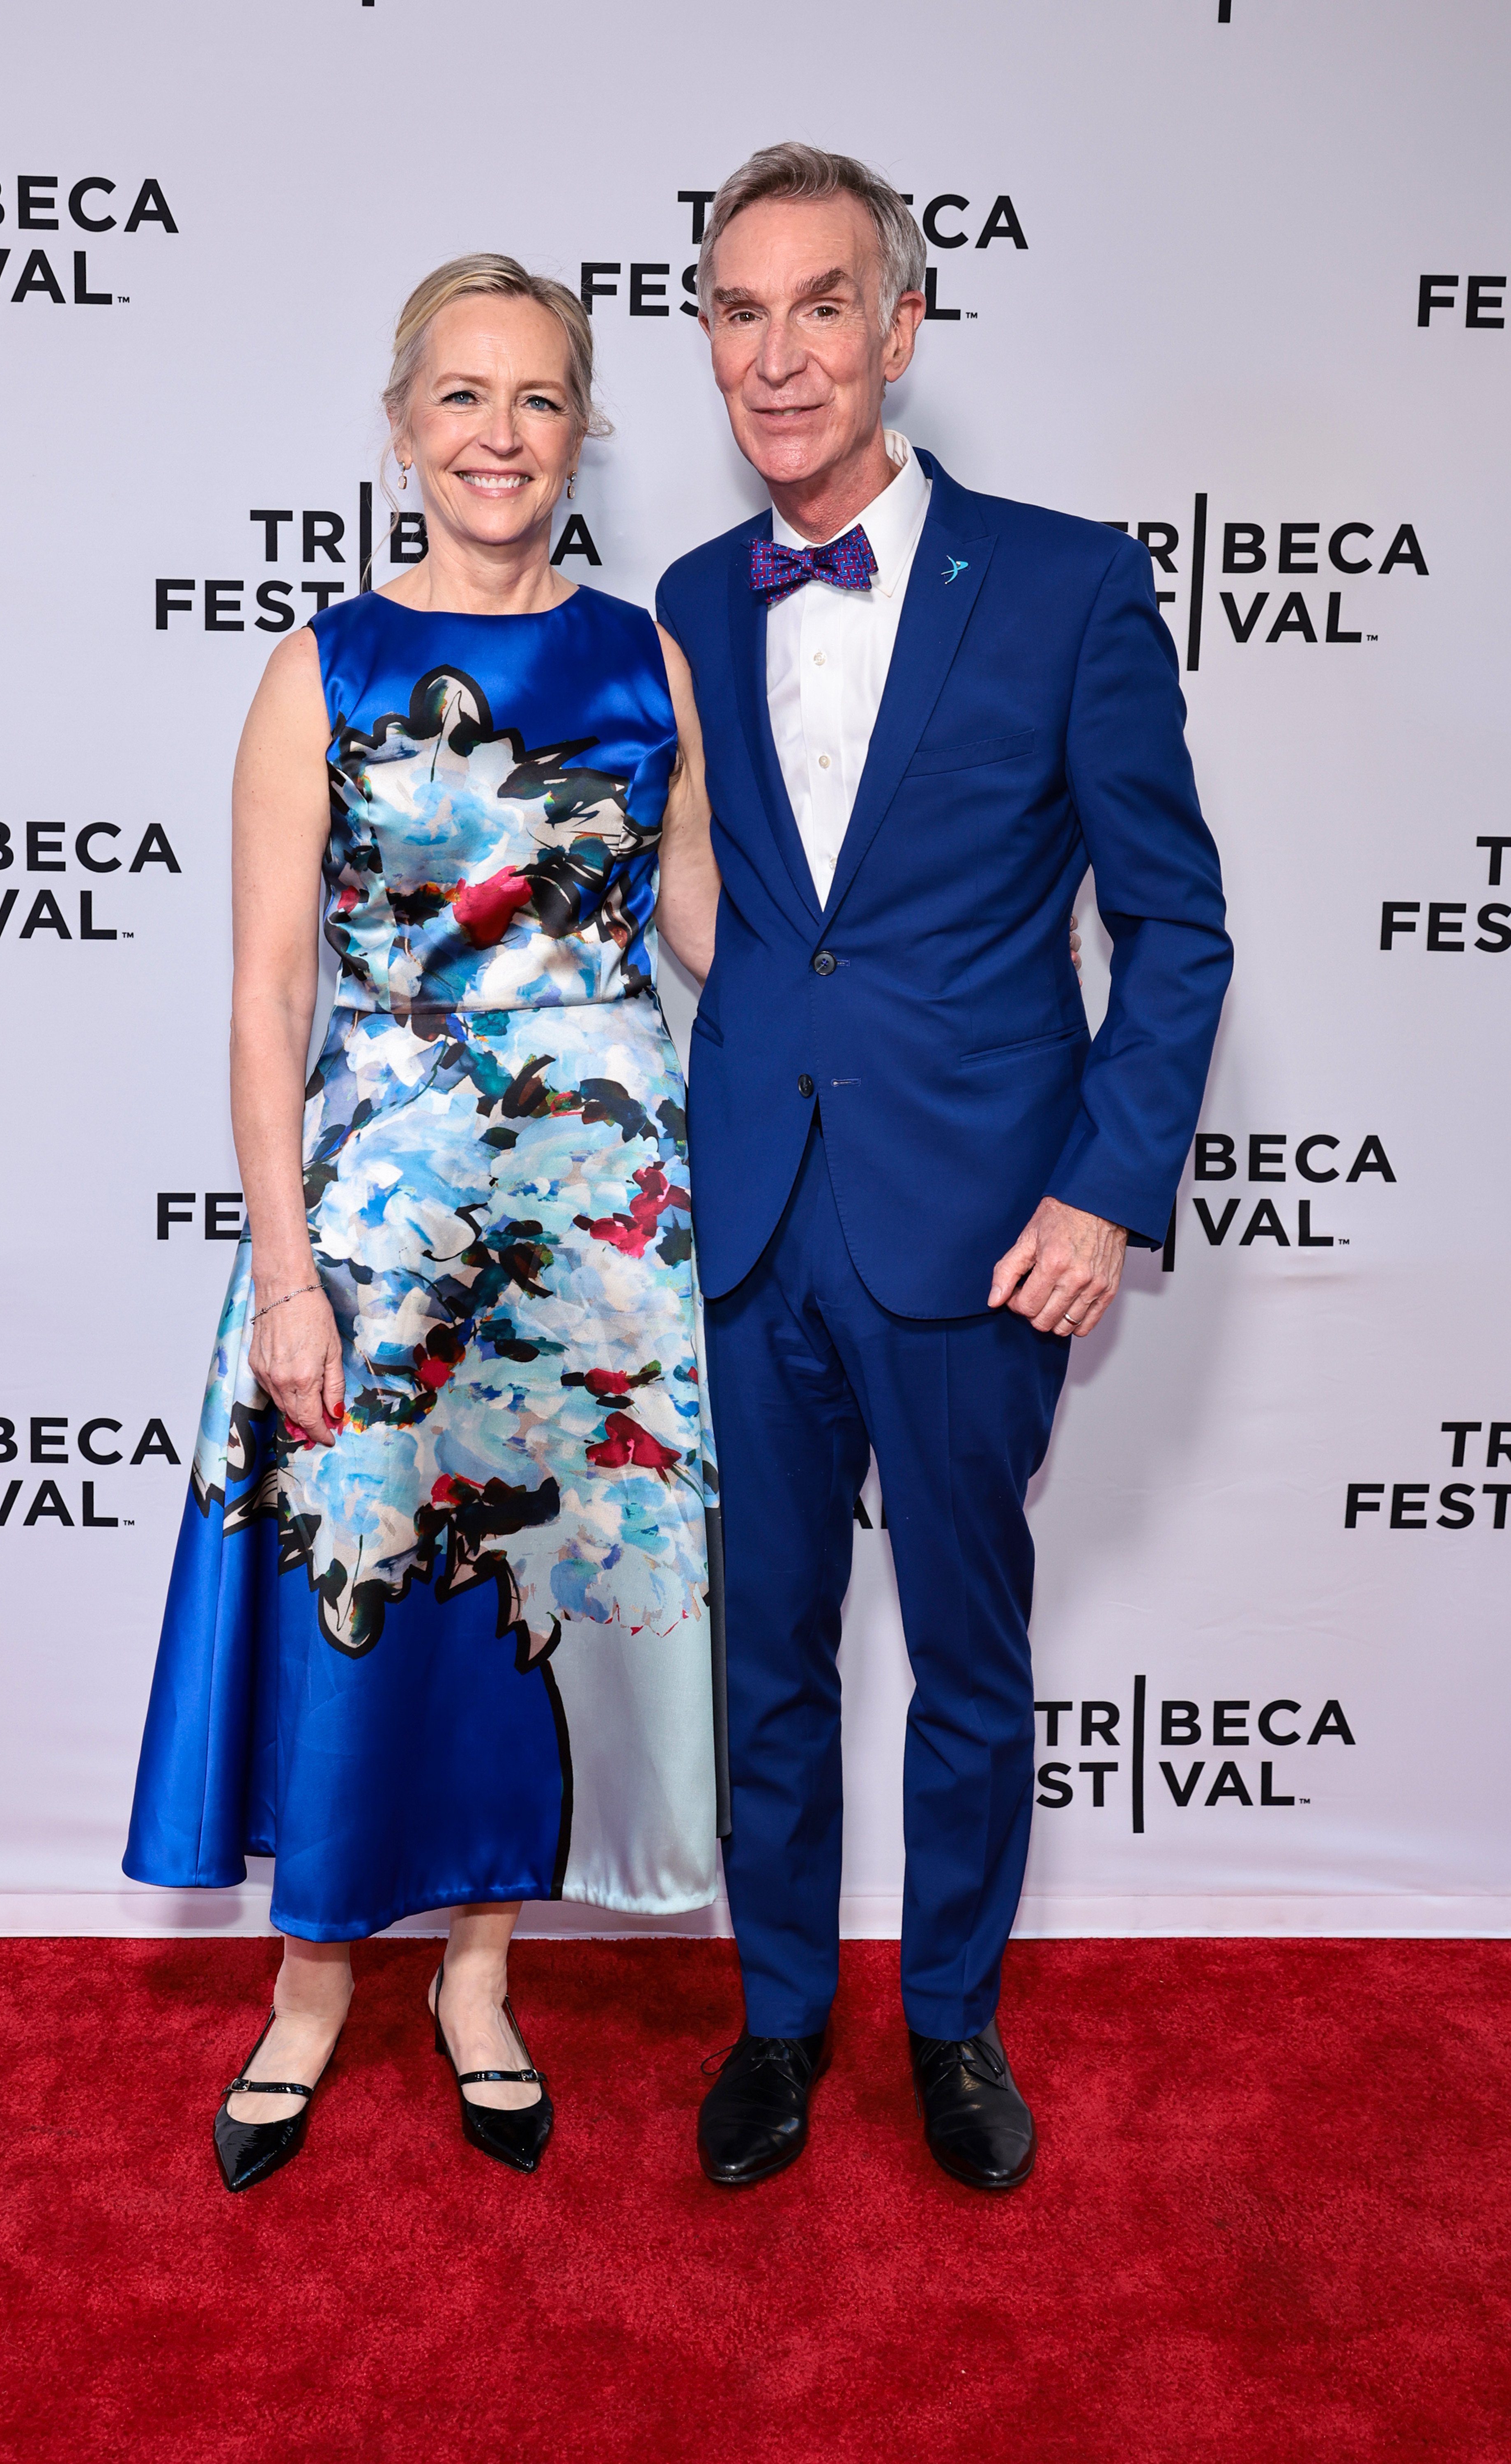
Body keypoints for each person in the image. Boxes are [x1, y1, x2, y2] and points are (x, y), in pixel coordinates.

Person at [656, 146, 1233, 2191]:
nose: (779, 353)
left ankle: (956, 2025)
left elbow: (1175, 921)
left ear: (903, 328)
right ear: (707, 343)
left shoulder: (1068, 581)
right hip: (754, 1220)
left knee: (973, 1665)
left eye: (822, 305)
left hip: (988, 1226)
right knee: (768, 1659)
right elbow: (745, 900)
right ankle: (781, 2020)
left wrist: (1101, 1188)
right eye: (739, 310)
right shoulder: (688, 602)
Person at [124, 255, 723, 2190]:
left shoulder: (648, 660)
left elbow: (713, 925)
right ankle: (308, 1993)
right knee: (357, 1586)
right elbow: (262, 999)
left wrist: (942, 975)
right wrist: (285, 1272)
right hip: (377, 1216)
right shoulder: (323, 666)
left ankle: (481, 1980)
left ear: (583, 433)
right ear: (400, 430)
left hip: (599, 1229)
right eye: (460, 398)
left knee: (525, 1605)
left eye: (537, 398)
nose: (498, 434)